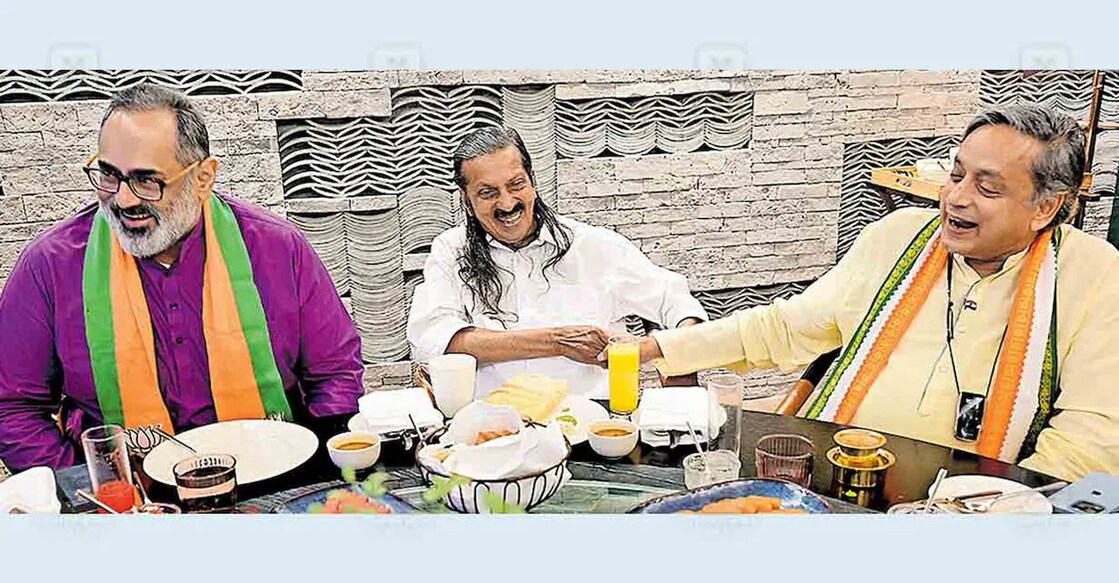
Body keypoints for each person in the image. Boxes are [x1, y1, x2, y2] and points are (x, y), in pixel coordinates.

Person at [640, 105, 1119, 482]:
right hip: (838, 473)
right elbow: (787, 326)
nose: (955, 198)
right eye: (956, 175)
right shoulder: (899, 235)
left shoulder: (1094, 275)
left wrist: (997, 509)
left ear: (1046, 207)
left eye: (986, 188)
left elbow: (1091, 439)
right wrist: (656, 349)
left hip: (976, 503)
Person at [0, 83, 363, 471]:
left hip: (273, 482)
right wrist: (90, 487)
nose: (123, 200)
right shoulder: (50, 266)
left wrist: (311, 473)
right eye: (109, 175)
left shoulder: (277, 249)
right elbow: (12, 408)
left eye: (146, 180)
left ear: (203, 177)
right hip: (131, 506)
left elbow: (335, 374)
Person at [407, 126, 708, 399]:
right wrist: (557, 342)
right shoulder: (450, 250)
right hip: (491, 428)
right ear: (466, 199)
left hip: (592, 425)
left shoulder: (594, 245)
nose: (507, 203)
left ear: (533, 181)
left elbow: (676, 301)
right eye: (487, 193)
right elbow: (435, 339)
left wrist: (674, 351)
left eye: (516, 185)